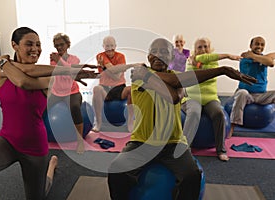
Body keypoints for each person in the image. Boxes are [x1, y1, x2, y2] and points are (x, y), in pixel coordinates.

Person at [107, 38, 256, 200]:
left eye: (164, 52)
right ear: (148, 56)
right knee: (117, 170)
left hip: (174, 143)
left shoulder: (157, 75)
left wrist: (222, 70)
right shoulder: (137, 77)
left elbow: (174, 96)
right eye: (154, 52)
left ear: (172, 58)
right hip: (141, 142)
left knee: (192, 175)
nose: (158, 55)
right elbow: (172, 89)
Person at [0, 27, 97, 199]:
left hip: (34, 145)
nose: (36, 49)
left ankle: (51, 168)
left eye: (38, 45)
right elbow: (24, 74)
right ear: (14, 45)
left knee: (37, 195)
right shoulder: (3, 71)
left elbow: (25, 80)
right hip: (6, 139)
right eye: (29, 44)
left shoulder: (44, 77)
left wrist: (3, 61)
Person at [182, 37, 242, 161]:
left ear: (210, 49)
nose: (203, 49)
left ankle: (221, 150)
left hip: (210, 98)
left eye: (206, 46)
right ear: (195, 50)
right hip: (192, 97)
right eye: (200, 47)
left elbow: (208, 73)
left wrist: (198, 65)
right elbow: (202, 69)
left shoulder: (214, 62)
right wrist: (227, 55)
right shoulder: (189, 61)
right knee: (193, 113)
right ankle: (185, 150)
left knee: (219, 114)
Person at [228, 36, 275, 137]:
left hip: (261, 96)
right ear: (251, 46)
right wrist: (254, 56)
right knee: (241, 93)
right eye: (257, 44)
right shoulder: (244, 58)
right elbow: (269, 60)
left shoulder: (263, 59)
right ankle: (233, 125)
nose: (259, 46)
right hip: (247, 94)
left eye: (262, 45)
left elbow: (271, 62)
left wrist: (254, 55)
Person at [48, 33, 85, 154]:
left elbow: (70, 72)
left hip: (72, 92)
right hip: (57, 92)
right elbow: (56, 74)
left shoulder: (75, 59)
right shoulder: (53, 59)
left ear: (68, 45)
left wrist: (59, 60)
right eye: (56, 45)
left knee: (75, 107)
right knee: (41, 107)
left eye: (62, 44)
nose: (59, 47)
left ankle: (80, 141)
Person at [92, 36, 134, 132]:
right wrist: (110, 69)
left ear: (115, 46)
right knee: (96, 89)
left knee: (132, 89)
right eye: (107, 46)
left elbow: (117, 77)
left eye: (112, 45)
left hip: (119, 88)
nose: (110, 48)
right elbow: (114, 73)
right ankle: (98, 123)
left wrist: (104, 67)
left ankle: (130, 122)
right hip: (105, 89)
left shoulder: (121, 56)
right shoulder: (100, 56)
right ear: (103, 46)